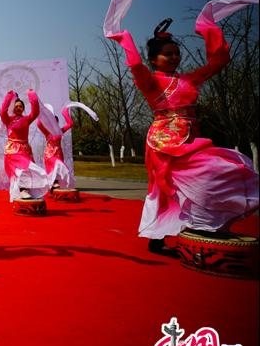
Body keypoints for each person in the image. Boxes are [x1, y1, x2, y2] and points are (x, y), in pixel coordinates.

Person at [107, 19, 259, 254]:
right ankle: (160, 238)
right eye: (168, 55)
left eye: (176, 53)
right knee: (169, 187)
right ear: (154, 60)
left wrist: (208, 28)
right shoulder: (151, 81)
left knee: (218, 172)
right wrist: (124, 38)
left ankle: (202, 225)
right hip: (165, 141)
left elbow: (218, 62)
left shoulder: (188, 79)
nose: (175, 57)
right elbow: (136, 66)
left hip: (190, 139)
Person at [0, 89, 51, 201]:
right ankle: (22, 190)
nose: (18, 108)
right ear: (13, 108)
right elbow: (2, 112)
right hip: (12, 151)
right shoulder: (8, 119)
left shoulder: (27, 119)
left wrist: (32, 95)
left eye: (20, 106)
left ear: (23, 108)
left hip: (25, 150)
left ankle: (24, 190)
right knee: (21, 171)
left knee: (26, 171)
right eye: (16, 106)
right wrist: (9, 96)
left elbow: (35, 112)